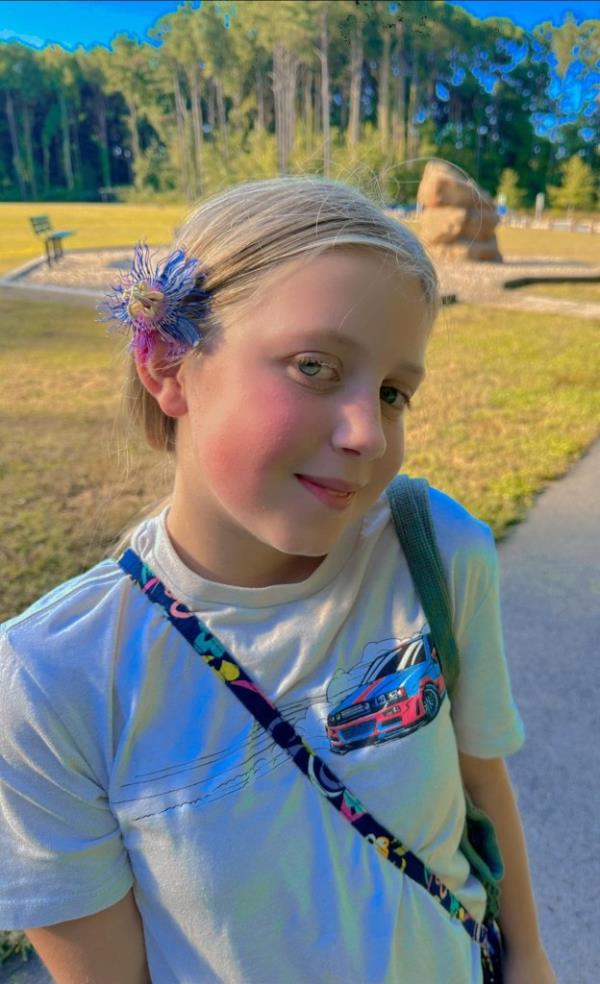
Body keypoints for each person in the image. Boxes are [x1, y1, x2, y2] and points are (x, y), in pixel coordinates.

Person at [0, 176, 556, 983]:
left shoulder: (435, 551)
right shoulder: (54, 684)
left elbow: (479, 783)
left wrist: (530, 960)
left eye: (395, 392)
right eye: (313, 366)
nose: (369, 432)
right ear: (166, 361)